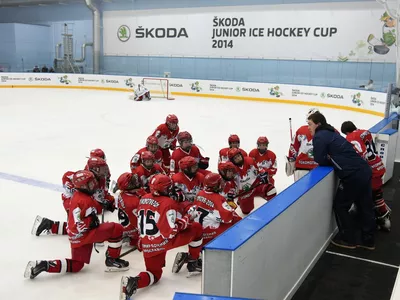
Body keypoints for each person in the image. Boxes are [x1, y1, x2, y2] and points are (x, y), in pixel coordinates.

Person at [24, 170, 129, 280]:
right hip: (83, 235)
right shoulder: (84, 200)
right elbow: (79, 225)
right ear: (83, 186)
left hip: (76, 236)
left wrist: (102, 206)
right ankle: (112, 260)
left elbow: (84, 213)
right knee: (116, 229)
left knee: (76, 265)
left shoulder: (80, 195)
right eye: (90, 183)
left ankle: (44, 265)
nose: (94, 184)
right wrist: (91, 222)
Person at [119, 174, 203, 299]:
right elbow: (169, 233)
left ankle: (133, 282)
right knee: (196, 228)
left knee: (154, 274)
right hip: (163, 241)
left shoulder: (144, 198)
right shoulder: (168, 203)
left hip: (147, 243)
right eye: (169, 187)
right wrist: (187, 219)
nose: (171, 189)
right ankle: (193, 261)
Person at [308, 112, 375, 250]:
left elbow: (319, 159)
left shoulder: (320, 136)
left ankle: (349, 239)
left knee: (340, 205)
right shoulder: (333, 133)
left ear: (318, 124)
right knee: (365, 205)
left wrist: (330, 160)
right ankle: (368, 241)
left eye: (310, 124)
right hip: (364, 170)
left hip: (352, 175)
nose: (308, 127)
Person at [172, 173, 242, 274]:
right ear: (215, 185)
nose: (222, 184)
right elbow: (228, 218)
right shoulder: (218, 198)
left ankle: (190, 256)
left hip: (199, 235)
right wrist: (231, 207)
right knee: (236, 223)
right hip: (210, 234)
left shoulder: (200, 193)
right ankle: (196, 260)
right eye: (220, 183)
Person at [341, 121, 391, 231]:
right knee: (377, 194)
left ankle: (375, 221)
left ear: (346, 132)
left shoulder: (351, 137)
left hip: (370, 171)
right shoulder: (365, 132)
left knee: (366, 198)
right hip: (378, 165)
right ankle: (384, 216)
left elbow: (360, 153)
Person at [228, 148, 276, 214]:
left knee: (271, 190)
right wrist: (230, 195)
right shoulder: (231, 170)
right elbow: (231, 184)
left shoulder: (250, 160)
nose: (238, 158)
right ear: (232, 161)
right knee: (246, 211)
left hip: (256, 185)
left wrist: (262, 175)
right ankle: (240, 201)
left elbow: (257, 171)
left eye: (238, 156)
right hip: (244, 192)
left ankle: (273, 209)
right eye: (235, 158)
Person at [286, 108, 320, 181]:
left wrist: (291, 160)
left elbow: (293, 148)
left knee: (301, 192)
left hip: (301, 168)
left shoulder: (301, 130)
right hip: (320, 170)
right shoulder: (331, 130)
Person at [117, 172, 146, 248]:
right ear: (128, 186)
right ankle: (132, 239)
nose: (137, 182)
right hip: (133, 230)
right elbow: (138, 222)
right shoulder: (132, 202)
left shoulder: (123, 193)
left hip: (127, 226)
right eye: (133, 182)